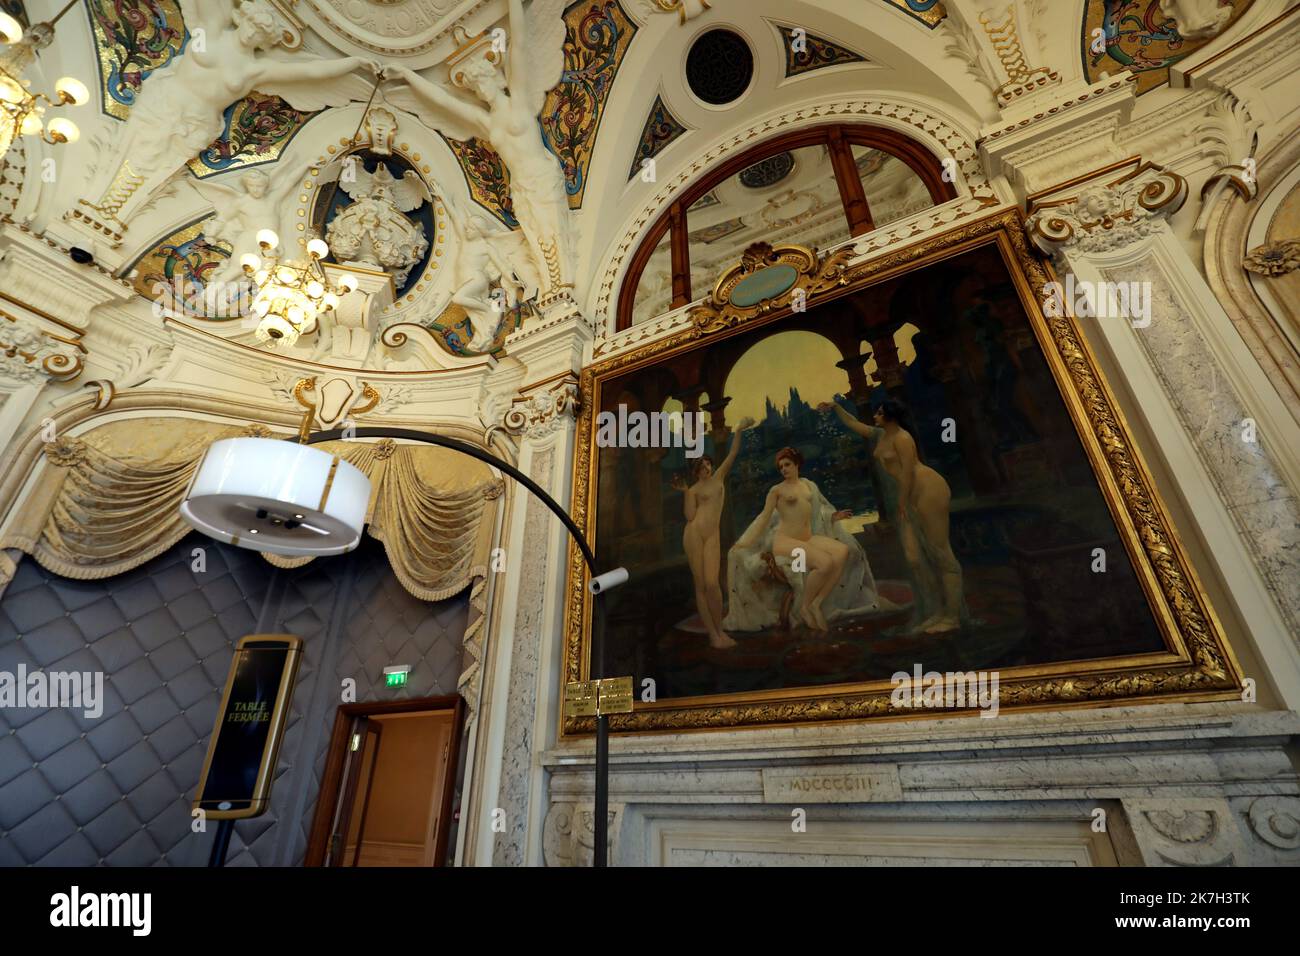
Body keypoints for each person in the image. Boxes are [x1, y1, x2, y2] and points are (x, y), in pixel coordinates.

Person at [820, 398, 964, 633]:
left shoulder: (903, 438)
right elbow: (854, 423)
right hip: (907, 498)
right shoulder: (880, 435)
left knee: (941, 553)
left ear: (890, 416)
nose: (875, 416)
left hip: (927, 491)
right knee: (915, 558)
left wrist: (903, 502)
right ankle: (936, 610)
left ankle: (952, 616)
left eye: (879, 412)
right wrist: (836, 407)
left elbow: (908, 472)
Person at [724, 447, 892, 632]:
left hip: (807, 538)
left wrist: (833, 516)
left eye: (787, 465)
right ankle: (805, 606)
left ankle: (816, 602)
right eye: (781, 467)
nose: (784, 469)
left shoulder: (808, 485)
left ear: (796, 464)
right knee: (825, 563)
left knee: (843, 552)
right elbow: (764, 518)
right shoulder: (777, 490)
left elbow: (818, 511)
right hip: (785, 541)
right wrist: (745, 542)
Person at [671, 418, 755, 648]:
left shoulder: (719, 478)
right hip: (694, 535)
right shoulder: (695, 489)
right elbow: (689, 517)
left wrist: (738, 429)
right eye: (702, 467)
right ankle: (713, 635)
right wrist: (686, 492)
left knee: (713, 584)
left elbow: (733, 454)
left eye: (708, 465)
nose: (706, 469)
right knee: (700, 585)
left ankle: (720, 631)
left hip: (712, 536)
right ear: (696, 471)